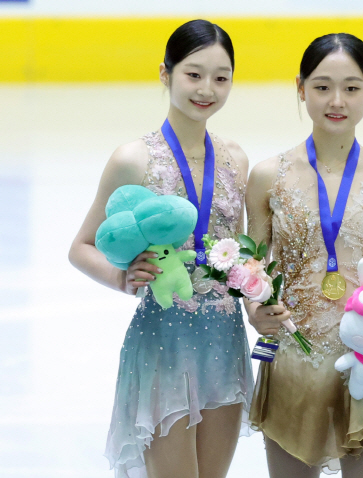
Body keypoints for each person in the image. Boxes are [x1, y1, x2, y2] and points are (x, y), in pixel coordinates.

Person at [68, 19, 253, 478]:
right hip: (164, 341)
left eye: (221, 76)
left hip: (225, 340)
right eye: (194, 74)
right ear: (165, 73)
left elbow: (239, 252)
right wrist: (121, 276)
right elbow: (81, 246)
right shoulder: (133, 159)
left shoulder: (235, 158)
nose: (206, 88)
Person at [245, 33, 363, 478]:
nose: (336, 100)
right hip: (292, 358)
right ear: (300, 88)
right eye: (321, 87)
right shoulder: (268, 176)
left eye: (352, 88)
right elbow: (252, 268)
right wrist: (253, 310)